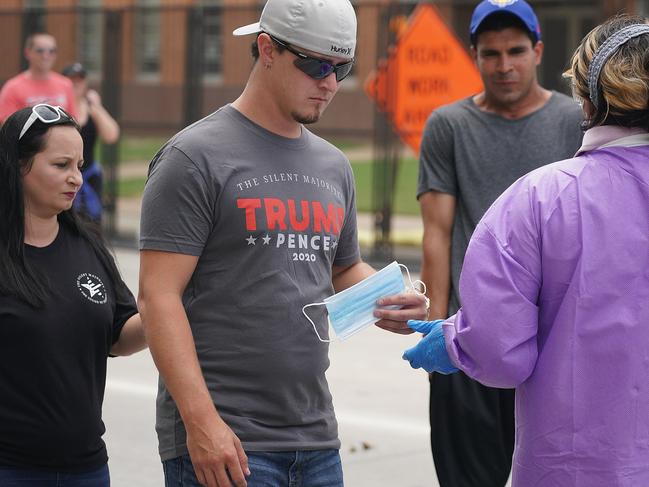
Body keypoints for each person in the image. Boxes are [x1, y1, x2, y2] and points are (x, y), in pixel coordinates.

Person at [137, 0, 428, 485]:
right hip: (227, 439)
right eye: (316, 65)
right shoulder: (193, 157)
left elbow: (340, 269)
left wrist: (393, 299)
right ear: (267, 49)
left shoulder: (333, 165)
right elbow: (157, 297)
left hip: (314, 438)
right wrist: (202, 423)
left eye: (342, 68)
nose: (330, 84)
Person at [405, 13, 649, 486]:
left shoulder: (542, 196)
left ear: (587, 96)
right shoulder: (454, 127)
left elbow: (500, 353)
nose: (504, 64)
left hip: (574, 467)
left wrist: (454, 341)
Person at [416, 1, 583, 486]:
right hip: (473, 337)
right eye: (491, 53)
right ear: (474, 55)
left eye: (515, 51)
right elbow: (437, 233)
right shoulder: (448, 125)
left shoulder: (575, 121)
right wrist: (438, 328)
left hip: (555, 344)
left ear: (538, 51)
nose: (504, 65)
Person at [0, 104, 146, 486]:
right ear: (18, 164)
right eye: (61, 164)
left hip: (88, 469)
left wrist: (169, 307)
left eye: (79, 166)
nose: (76, 178)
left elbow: (119, 334)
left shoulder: (88, 244)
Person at [62, 62, 120, 224]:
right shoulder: (57, 107)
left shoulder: (91, 106)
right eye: (71, 79)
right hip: (64, 175)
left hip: (89, 175)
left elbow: (111, 135)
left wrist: (96, 106)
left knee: (91, 224)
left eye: (80, 79)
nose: (76, 83)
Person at [0, 32, 77, 123]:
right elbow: (7, 125)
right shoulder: (12, 87)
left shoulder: (66, 84)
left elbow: (73, 120)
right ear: (27, 53)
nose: (45, 56)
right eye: (40, 51)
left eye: (51, 51)